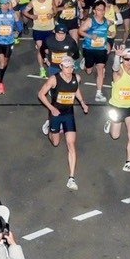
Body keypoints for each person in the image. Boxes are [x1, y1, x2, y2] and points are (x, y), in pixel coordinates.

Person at [37, 56, 89, 190]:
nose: (69, 69)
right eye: (66, 67)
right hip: (56, 113)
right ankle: (50, 127)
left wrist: (82, 103)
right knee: (55, 142)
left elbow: (76, 89)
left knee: (71, 144)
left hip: (68, 114)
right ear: (61, 67)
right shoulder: (54, 79)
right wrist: (52, 108)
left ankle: (71, 178)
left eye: (71, 67)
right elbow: (41, 94)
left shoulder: (76, 78)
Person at [105, 49, 130, 172]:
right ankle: (111, 121)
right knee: (115, 136)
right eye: (126, 59)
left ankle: (128, 162)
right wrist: (116, 55)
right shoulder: (119, 72)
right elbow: (115, 68)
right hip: (117, 106)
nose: (129, 62)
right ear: (123, 59)